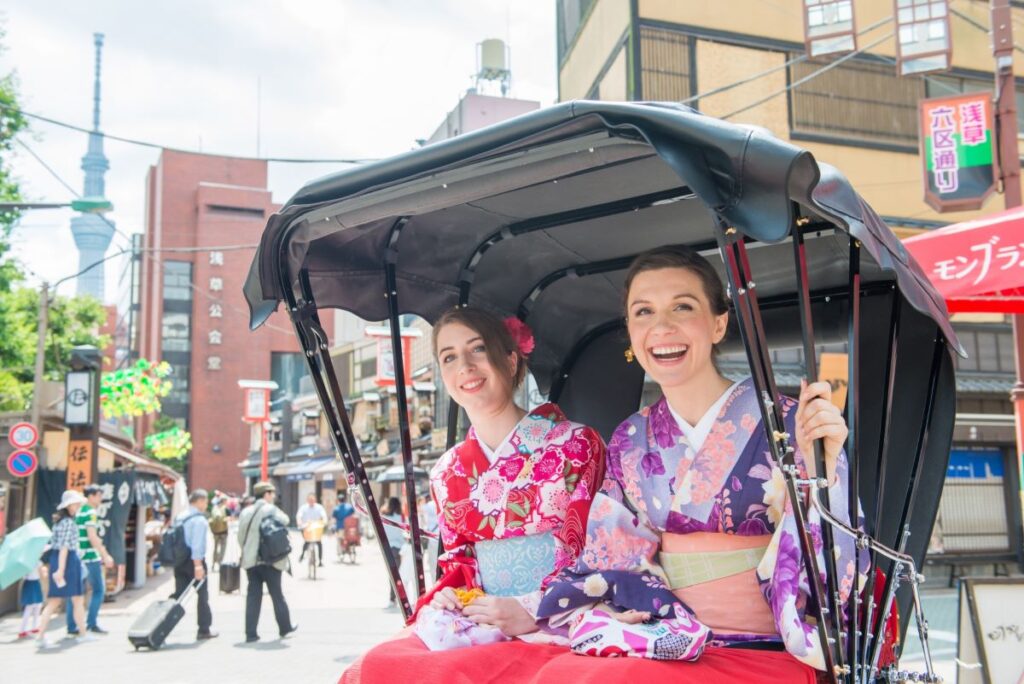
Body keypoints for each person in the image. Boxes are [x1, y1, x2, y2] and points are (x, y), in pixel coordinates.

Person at [535, 246, 866, 681]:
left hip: (771, 644)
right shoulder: (630, 438)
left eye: (682, 307)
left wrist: (818, 467)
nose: (662, 327)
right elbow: (613, 554)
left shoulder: (789, 422)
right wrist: (623, 606)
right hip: (669, 634)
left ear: (718, 323)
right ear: (631, 332)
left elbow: (835, 560)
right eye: (644, 312)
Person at [341, 307, 605, 682]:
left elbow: (602, 550)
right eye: (449, 356)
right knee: (375, 668)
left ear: (511, 361)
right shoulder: (447, 471)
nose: (464, 365)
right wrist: (451, 594)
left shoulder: (577, 444)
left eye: (478, 349)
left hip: (562, 619)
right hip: (483, 622)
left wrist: (533, 609)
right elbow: (460, 560)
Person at [238, 481, 297, 643]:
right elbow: (285, 521)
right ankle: (285, 628)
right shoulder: (271, 509)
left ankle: (250, 633)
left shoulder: (246, 512)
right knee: (277, 594)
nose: (273, 496)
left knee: (253, 597)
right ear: (266, 495)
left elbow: (240, 537)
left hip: (251, 561)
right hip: (272, 560)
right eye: (272, 493)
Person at [36, 490, 92, 649]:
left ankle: (40, 635)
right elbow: (65, 547)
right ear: (69, 505)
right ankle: (82, 634)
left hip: (60, 560)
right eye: (76, 503)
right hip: (68, 562)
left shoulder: (60, 522)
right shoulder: (68, 522)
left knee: (55, 601)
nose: (78, 506)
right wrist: (61, 570)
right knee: (76, 599)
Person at [66, 483, 114, 635]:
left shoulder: (77, 511)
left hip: (76, 556)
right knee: (99, 589)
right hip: (89, 556)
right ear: (91, 496)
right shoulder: (90, 512)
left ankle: (72, 625)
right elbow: (92, 536)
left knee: (74, 592)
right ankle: (91, 622)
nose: (100, 498)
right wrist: (105, 555)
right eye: (99, 495)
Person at [172, 489, 217, 640]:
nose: (206, 504)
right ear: (198, 501)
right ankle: (204, 629)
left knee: (178, 595)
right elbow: (197, 545)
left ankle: (162, 623)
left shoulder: (180, 516)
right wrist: (198, 566)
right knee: (202, 596)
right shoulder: (199, 519)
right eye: (205, 501)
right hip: (193, 561)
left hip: (179, 561)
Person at [381, 497, 405, 608]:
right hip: (400, 548)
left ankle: (392, 599)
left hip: (388, 548)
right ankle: (400, 598)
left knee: (392, 574)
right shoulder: (401, 517)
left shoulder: (384, 516)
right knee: (401, 575)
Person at [297, 492, 328, 567]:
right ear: (307, 500)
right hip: (306, 528)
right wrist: (299, 522)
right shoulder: (303, 508)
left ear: (315, 500)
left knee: (319, 543)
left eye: (313, 500)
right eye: (310, 500)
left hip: (316, 528)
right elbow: (299, 516)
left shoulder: (319, 507)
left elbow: (324, 515)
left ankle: (320, 560)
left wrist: (324, 521)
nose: (311, 501)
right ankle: (303, 554)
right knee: (306, 542)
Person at [18, 554, 45, 639]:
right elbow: (42, 575)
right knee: (33, 606)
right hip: (34, 583)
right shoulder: (37, 562)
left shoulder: (24, 562)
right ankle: (23, 629)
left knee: (35, 606)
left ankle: (33, 627)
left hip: (29, 583)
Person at [332, 491, 357, 559]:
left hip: (340, 528)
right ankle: (349, 549)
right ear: (345, 499)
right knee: (349, 539)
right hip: (349, 528)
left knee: (339, 539)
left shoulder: (336, 508)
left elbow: (334, 519)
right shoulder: (349, 507)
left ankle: (341, 551)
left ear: (338, 500)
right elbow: (353, 516)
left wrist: (332, 527)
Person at [209, 496, 230, 570]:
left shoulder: (214, 508)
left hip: (215, 532)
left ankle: (214, 563)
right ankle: (220, 562)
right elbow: (229, 518)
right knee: (223, 548)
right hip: (224, 531)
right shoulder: (225, 508)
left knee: (215, 548)